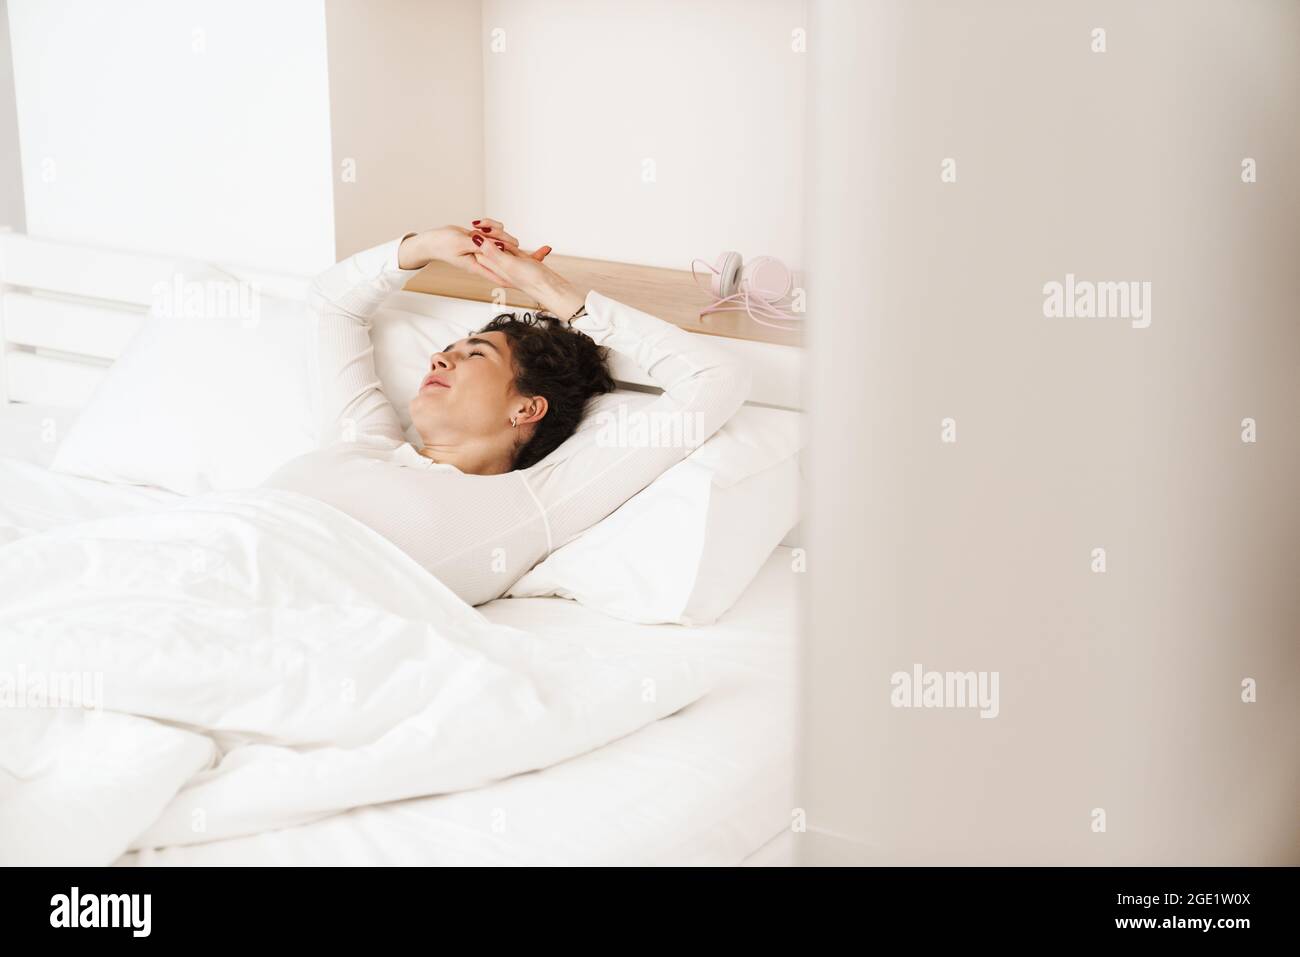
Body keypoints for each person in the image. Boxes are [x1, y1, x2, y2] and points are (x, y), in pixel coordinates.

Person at [260, 218, 752, 606]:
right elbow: (333, 305)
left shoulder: (537, 503)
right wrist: (428, 246)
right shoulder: (360, 438)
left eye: (476, 354)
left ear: (527, 408)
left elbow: (715, 379)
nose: (440, 357)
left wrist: (541, 283)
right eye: (449, 348)